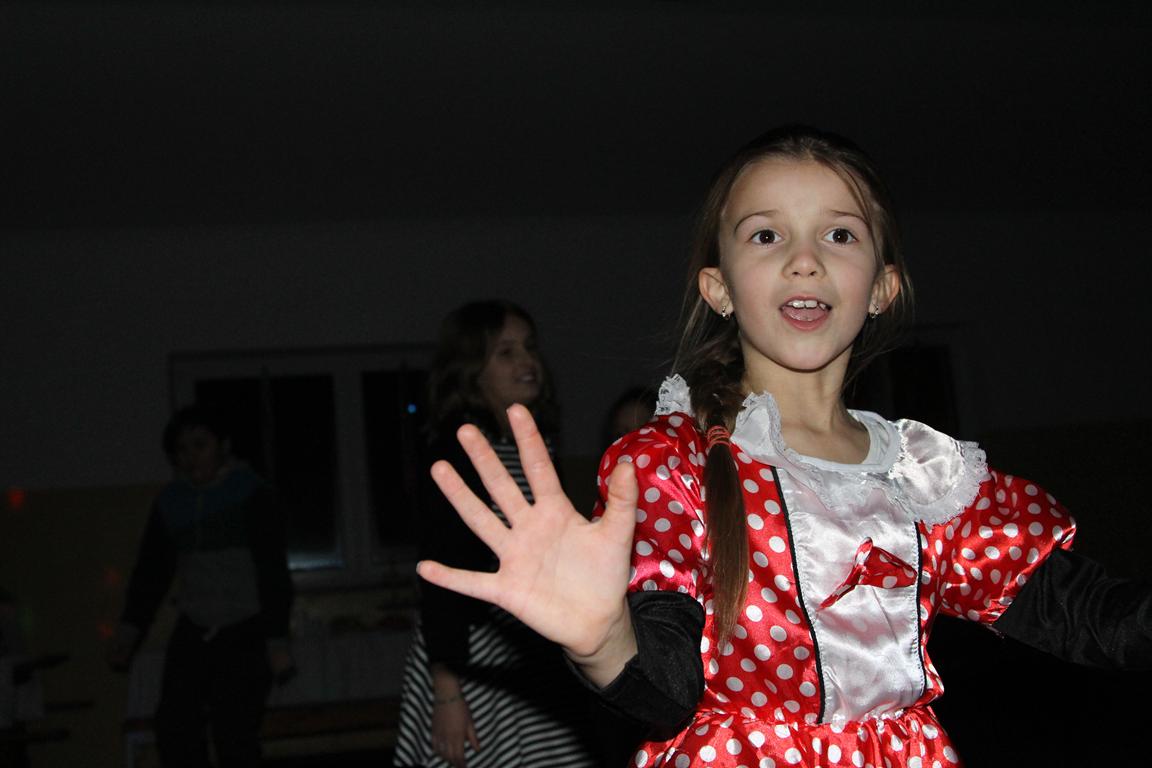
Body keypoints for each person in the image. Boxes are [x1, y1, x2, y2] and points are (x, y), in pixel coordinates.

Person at [415, 126, 1152, 767]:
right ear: (719, 288)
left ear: (882, 287)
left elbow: (1093, 617)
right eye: (767, 236)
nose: (805, 260)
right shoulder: (675, 462)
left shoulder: (928, 475)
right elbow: (667, 694)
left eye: (840, 235)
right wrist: (604, 639)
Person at [392, 300, 598, 768]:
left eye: (529, 347)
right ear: (471, 371)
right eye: (506, 352)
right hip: (470, 654)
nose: (527, 361)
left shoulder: (533, 445)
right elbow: (441, 572)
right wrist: (447, 689)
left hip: (531, 646)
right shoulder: (459, 450)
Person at [108, 405, 294, 768]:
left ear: (223, 446)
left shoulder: (252, 494)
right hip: (195, 627)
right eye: (181, 450)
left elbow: (273, 573)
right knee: (174, 727)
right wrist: (128, 632)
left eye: (199, 446)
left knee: (234, 733)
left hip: (245, 628)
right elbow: (151, 572)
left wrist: (276, 642)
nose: (190, 458)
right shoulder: (171, 502)